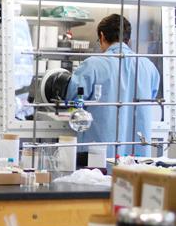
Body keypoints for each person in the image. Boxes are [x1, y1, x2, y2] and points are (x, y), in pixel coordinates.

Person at [65, 14, 160, 158]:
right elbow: (151, 99)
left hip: (100, 158)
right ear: (128, 39)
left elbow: (72, 100)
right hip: (138, 160)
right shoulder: (149, 67)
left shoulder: (93, 64)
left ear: (102, 36)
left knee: (97, 180)